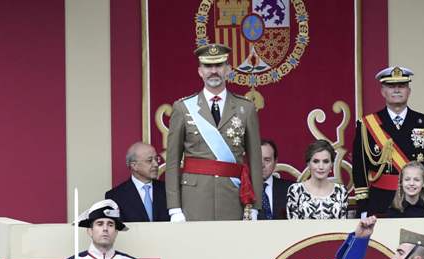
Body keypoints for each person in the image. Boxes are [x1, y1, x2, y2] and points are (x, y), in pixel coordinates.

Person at [164, 43, 262, 222]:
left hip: (233, 198)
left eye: (219, 65)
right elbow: (172, 162)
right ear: (200, 71)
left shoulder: (245, 108)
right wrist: (174, 208)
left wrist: (255, 207)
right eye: (208, 66)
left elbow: (255, 161)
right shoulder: (183, 108)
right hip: (194, 199)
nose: (214, 71)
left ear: (228, 70)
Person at [351, 66, 424, 217]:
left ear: (409, 91)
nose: (397, 90)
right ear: (383, 92)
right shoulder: (367, 125)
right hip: (381, 201)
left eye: (401, 86)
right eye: (391, 86)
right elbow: (359, 169)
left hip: (417, 202)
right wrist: (363, 206)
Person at [105, 142, 169, 223]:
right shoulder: (115, 196)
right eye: (149, 160)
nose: (156, 164)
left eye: (156, 159)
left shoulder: (169, 190)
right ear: (134, 165)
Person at [286, 139, 348, 219]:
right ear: (308, 164)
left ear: (331, 165)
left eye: (326, 161)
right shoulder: (295, 190)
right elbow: (291, 227)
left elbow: (343, 226)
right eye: (316, 161)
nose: (321, 167)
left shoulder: (341, 191)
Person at [260, 139, 291, 220]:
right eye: (257, 159)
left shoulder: (290, 189)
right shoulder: (239, 189)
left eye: (267, 160)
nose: (262, 165)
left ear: (275, 162)